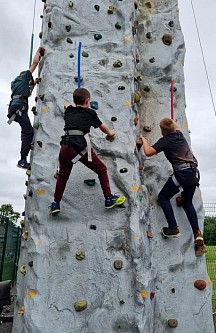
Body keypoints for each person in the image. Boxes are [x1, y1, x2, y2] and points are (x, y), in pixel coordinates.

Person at [49, 87, 125, 215]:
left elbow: (66, 104)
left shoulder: (69, 111)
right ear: (88, 101)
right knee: (101, 169)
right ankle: (108, 198)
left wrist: (71, 103)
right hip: (79, 148)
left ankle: (55, 204)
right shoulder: (90, 113)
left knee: (62, 176)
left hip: (65, 148)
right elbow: (103, 128)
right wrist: (111, 133)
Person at [140, 118, 204, 245]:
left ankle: (173, 227)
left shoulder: (165, 141)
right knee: (187, 202)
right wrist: (171, 123)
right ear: (174, 128)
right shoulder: (180, 135)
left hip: (182, 174)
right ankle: (197, 234)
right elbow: (176, 126)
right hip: (194, 173)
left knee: (163, 197)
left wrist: (144, 140)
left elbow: (148, 152)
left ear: (162, 131)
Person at [7, 47, 45, 169]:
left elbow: (27, 93)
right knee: (28, 132)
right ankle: (22, 160)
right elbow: (34, 63)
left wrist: (34, 84)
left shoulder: (16, 83)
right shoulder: (24, 77)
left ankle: (23, 158)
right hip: (19, 109)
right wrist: (39, 51)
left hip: (16, 109)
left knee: (26, 131)